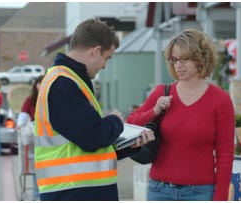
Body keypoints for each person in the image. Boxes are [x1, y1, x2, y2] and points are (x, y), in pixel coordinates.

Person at [34, 18, 155, 201]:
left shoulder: (68, 80)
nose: (105, 65)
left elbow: (87, 144)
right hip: (75, 191)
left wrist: (129, 146)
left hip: (75, 190)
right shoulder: (63, 83)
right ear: (96, 51)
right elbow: (92, 136)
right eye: (106, 58)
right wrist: (115, 120)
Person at [127, 29, 235, 201]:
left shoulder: (220, 100)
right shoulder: (162, 92)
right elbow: (130, 123)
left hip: (201, 193)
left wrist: (220, 197)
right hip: (159, 190)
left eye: (184, 59)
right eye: (174, 60)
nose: (178, 65)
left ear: (200, 58)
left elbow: (225, 153)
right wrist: (154, 111)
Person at [16, 75, 44, 201]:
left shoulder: (52, 98)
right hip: (35, 136)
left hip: (49, 138)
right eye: (39, 83)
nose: (40, 86)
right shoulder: (31, 100)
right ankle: (37, 195)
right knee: (35, 166)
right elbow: (23, 115)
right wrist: (20, 125)